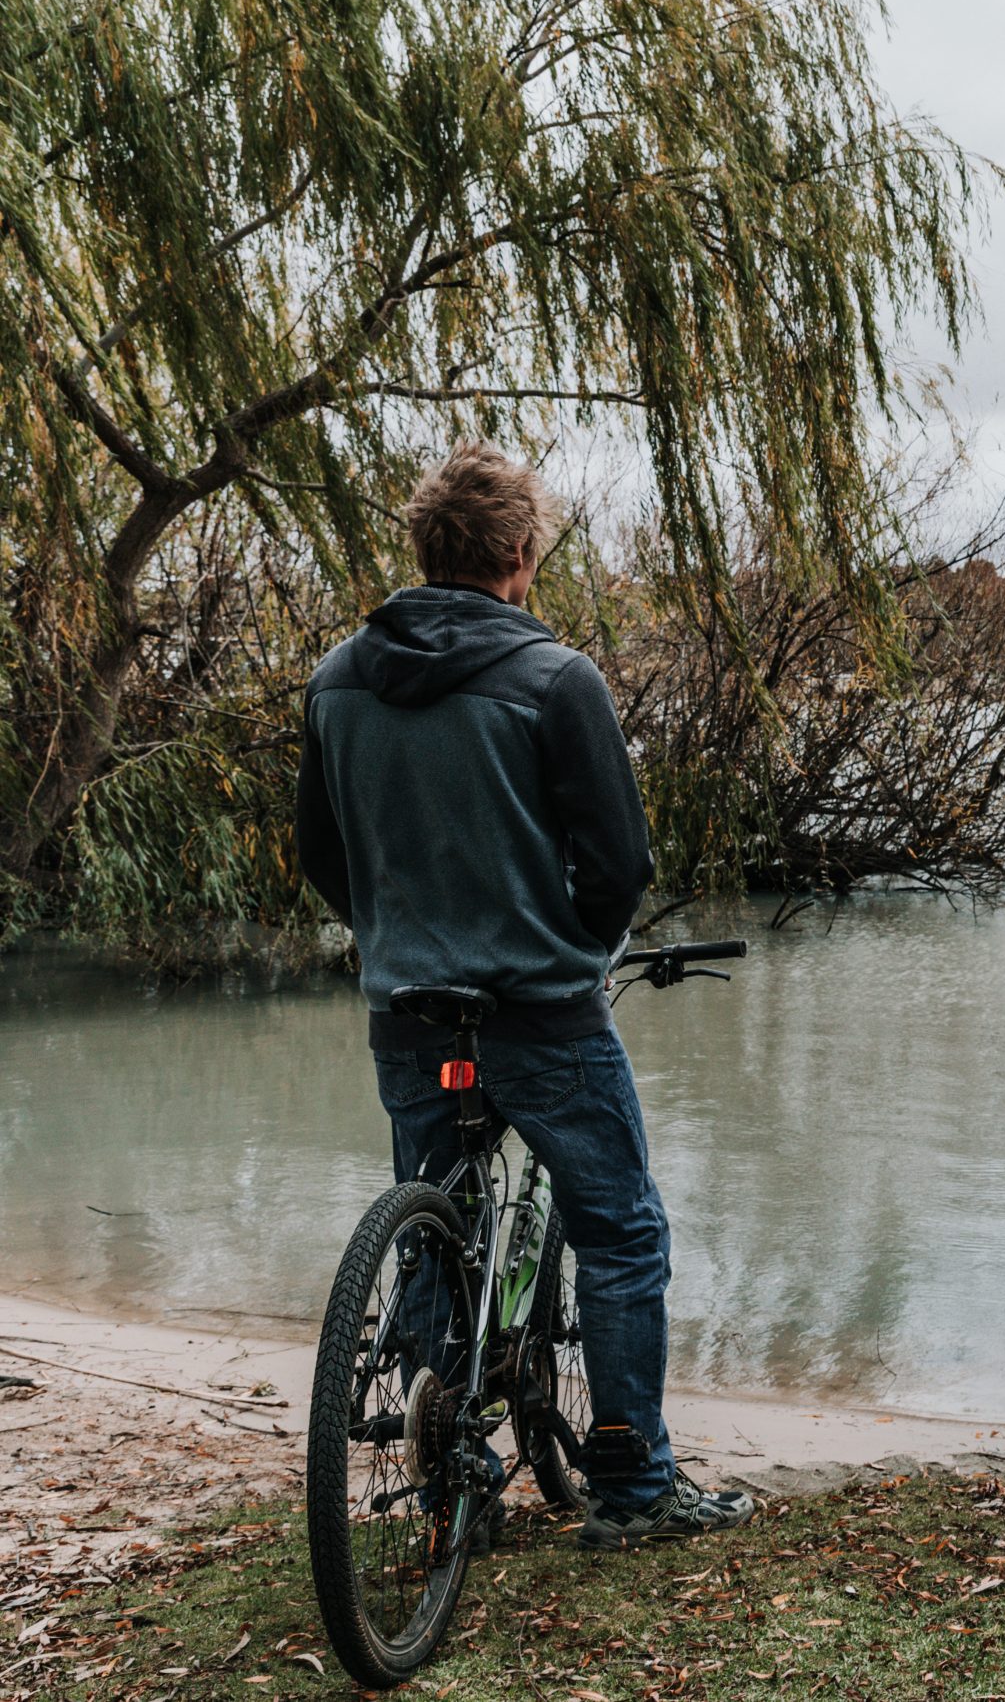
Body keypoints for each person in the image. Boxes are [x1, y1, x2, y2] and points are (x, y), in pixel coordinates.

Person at [295, 442, 754, 1551]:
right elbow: (620, 865)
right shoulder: (555, 679)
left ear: (425, 547)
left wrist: (395, 934)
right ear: (517, 554)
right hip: (541, 1011)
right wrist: (574, 951)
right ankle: (636, 1488)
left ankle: (450, 1468)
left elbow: (320, 853)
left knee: (433, 1228)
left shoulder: (335, 679)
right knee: (622, 1229)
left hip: (407, 1009)